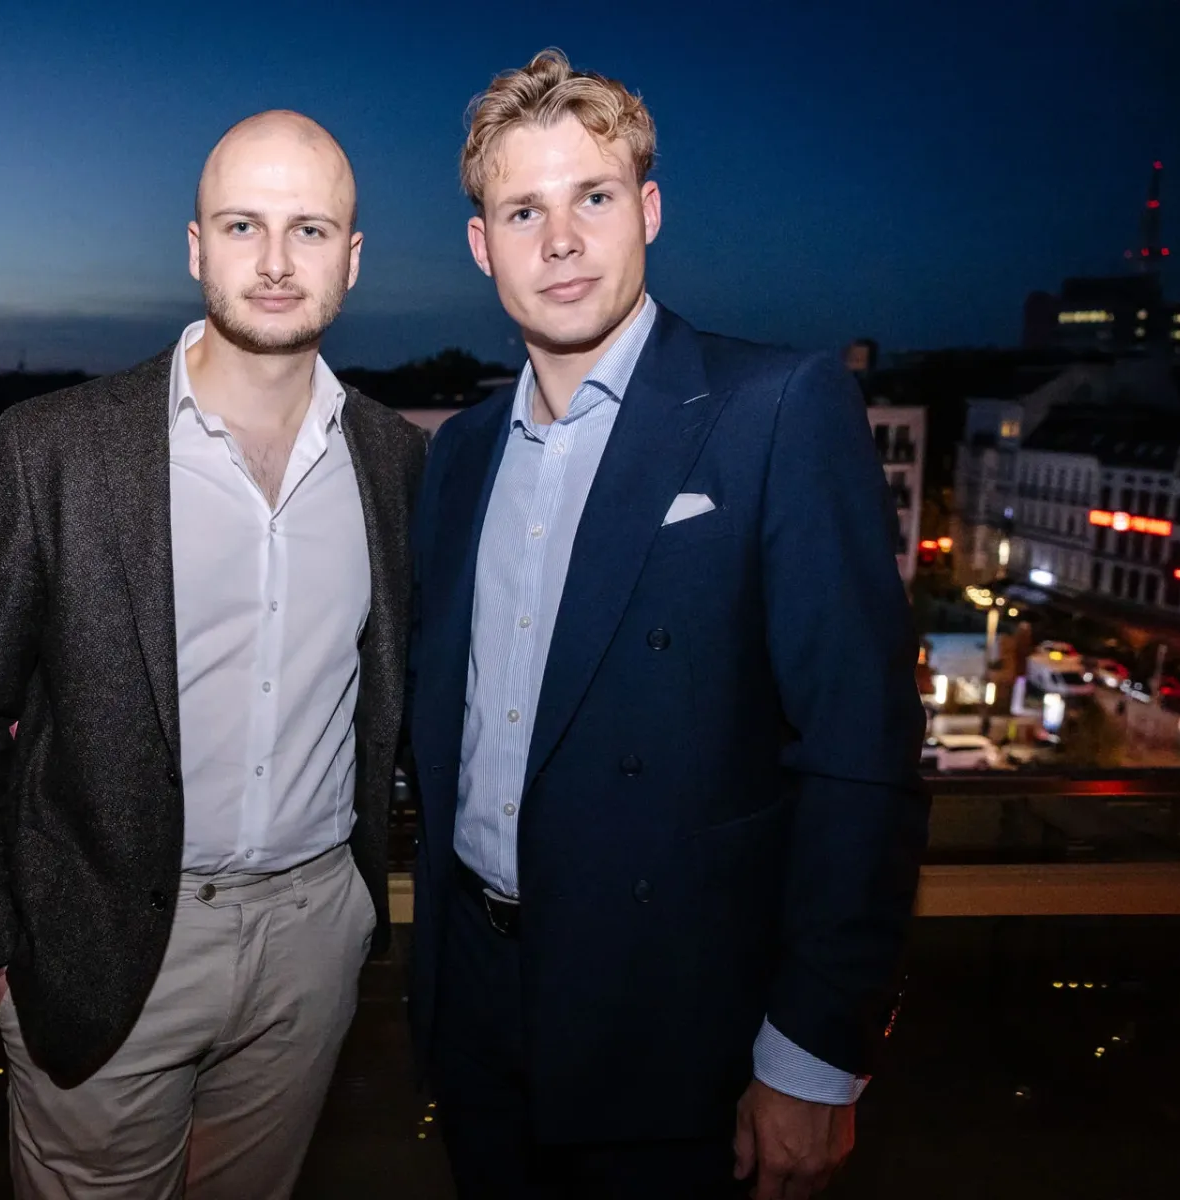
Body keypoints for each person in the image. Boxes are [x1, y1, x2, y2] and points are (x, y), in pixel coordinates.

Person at [405, 51, 929, 1200]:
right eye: (523, 211)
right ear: (482, 245)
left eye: (592, 197)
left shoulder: (776, 408)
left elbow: (862, 753)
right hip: (479, 1009)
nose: (561, 241)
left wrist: (815, 1054)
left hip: (680, 1026)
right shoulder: (462, 454)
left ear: (647, 210)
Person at [0, 110, 426, 1200]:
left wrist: (351, 917)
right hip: (97, 945)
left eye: (309, 229)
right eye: (243, 226)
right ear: (197, 247)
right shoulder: (55, 447)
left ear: (351, 258)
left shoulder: (392, 460)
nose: (276, 262)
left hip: (311, 941)